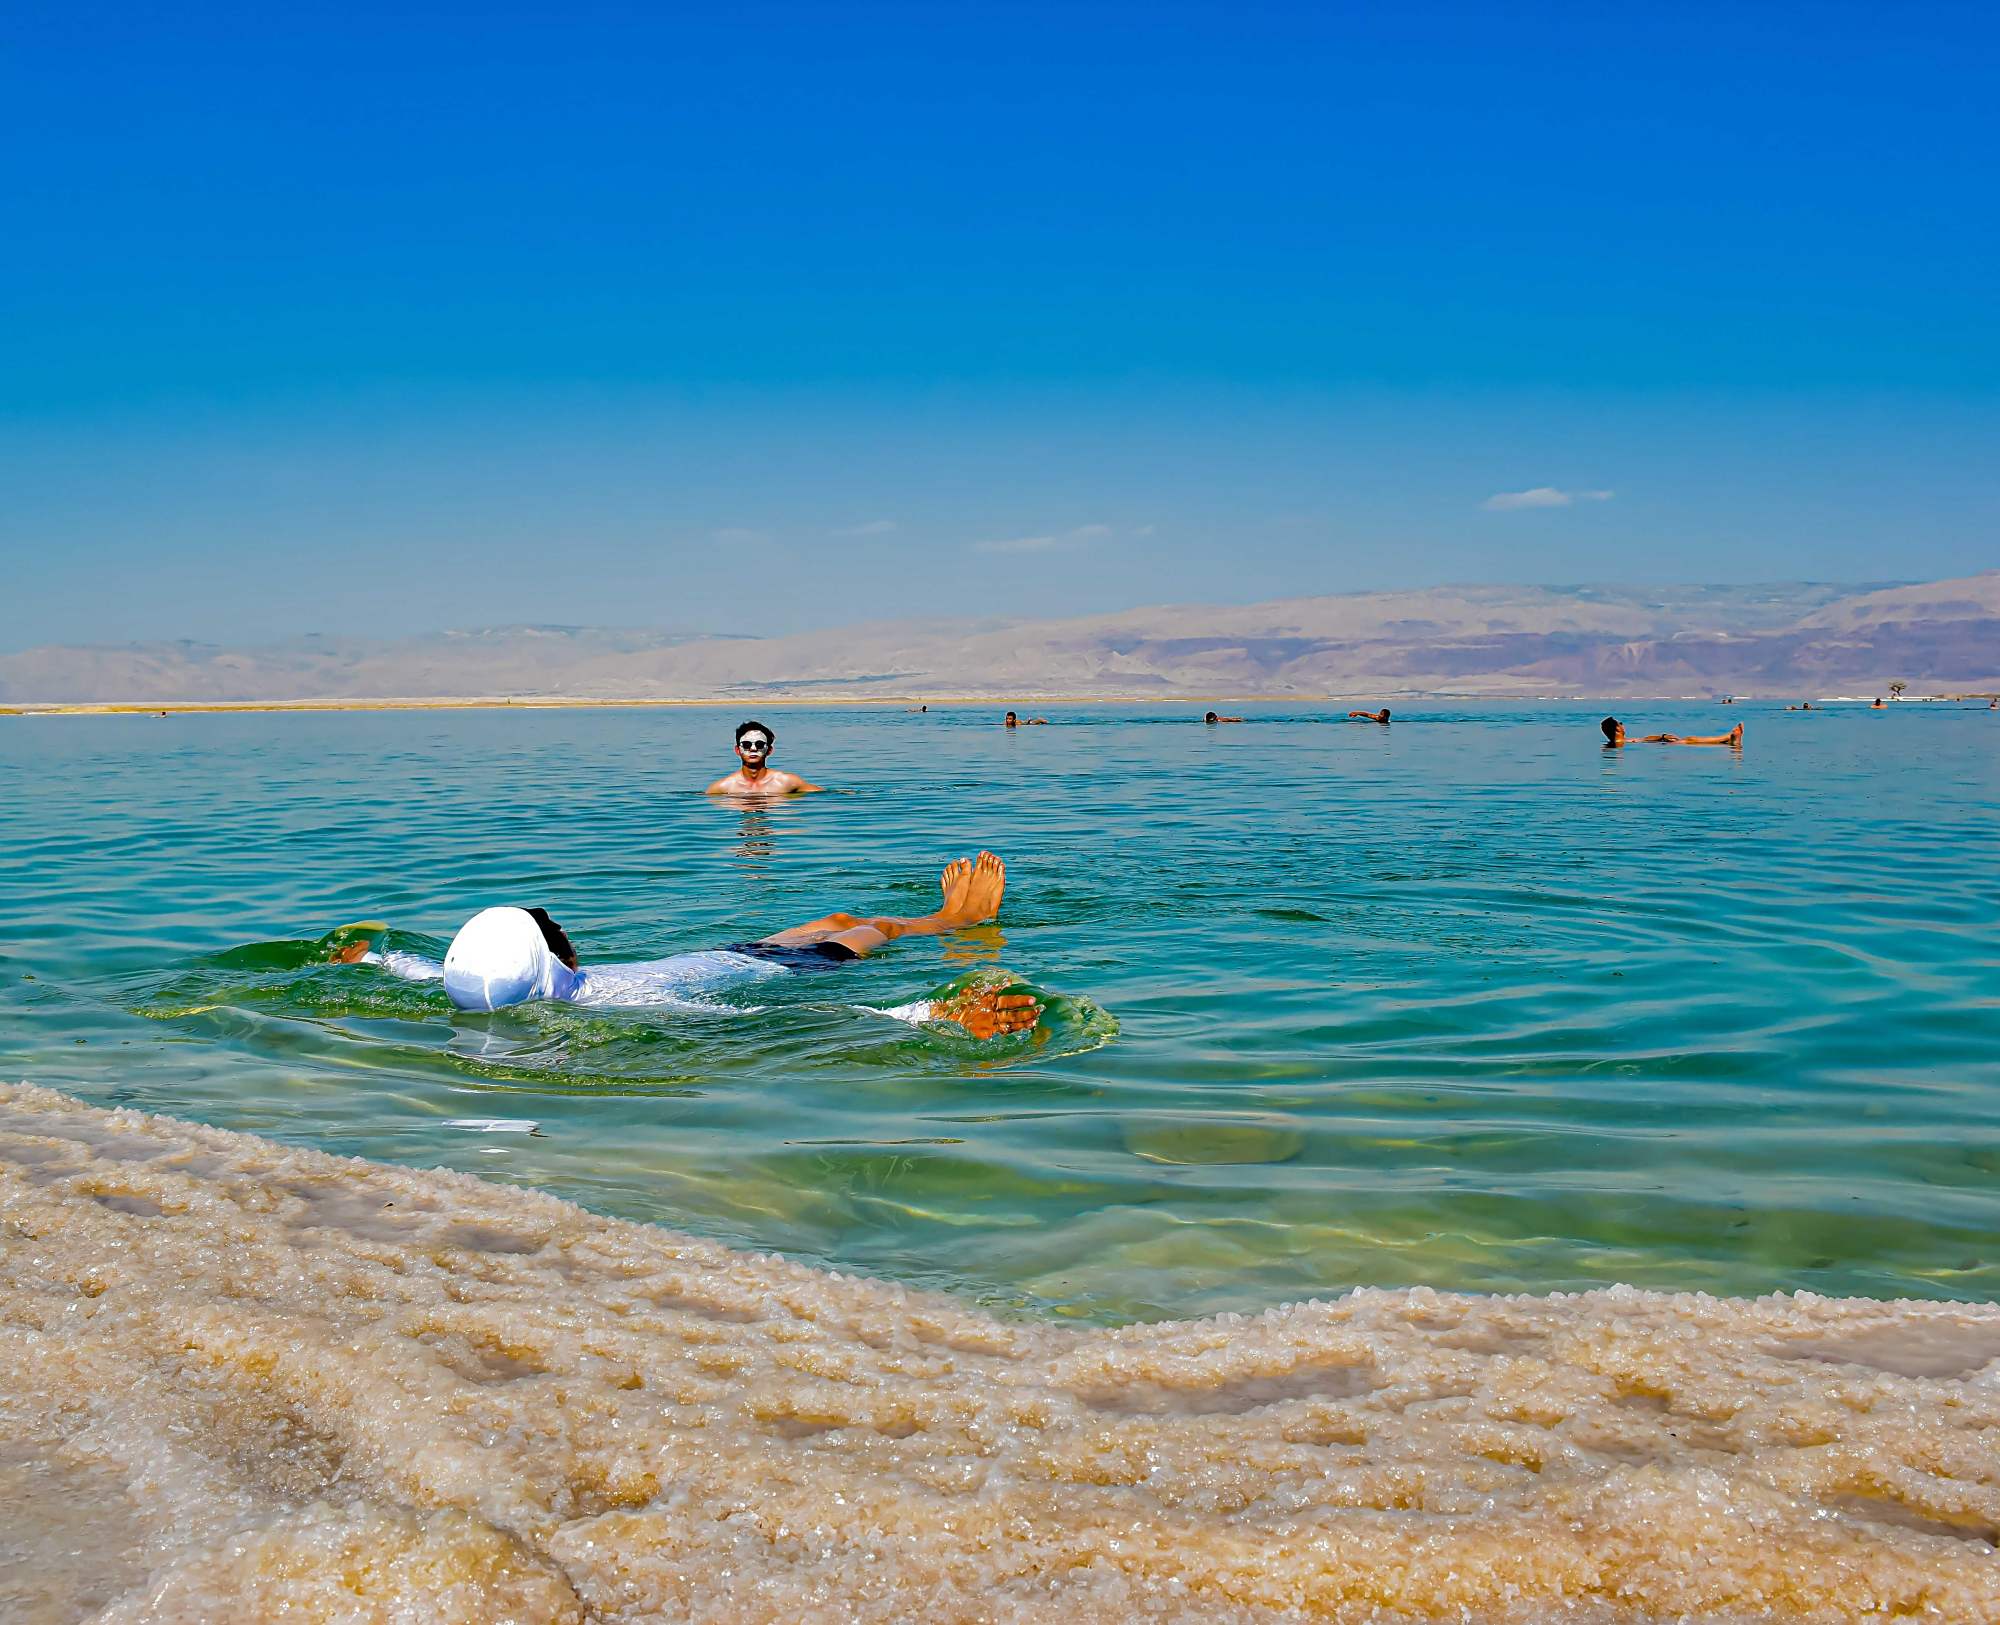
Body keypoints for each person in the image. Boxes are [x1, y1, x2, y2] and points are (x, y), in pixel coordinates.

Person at [333, 852, 1038, 1039]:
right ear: (560, 958)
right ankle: (955, 919)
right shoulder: (631, 999)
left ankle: (934, 919)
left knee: (836, 910)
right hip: (783, 970)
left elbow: (433, 973)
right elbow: (771, 1021)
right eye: (556, 929)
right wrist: (928, 1015)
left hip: (729, 949)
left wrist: (372, 957)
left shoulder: (480, 986)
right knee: (870, 929)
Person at [706, 720, 823, 797]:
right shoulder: (722, 787)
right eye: (746, 745)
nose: (753, 749)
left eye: (759, 744)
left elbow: (825, 795)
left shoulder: (787, 781)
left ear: (769, 750)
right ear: (737, 750)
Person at [1601, 717, 1743, 748]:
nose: (1622, 725)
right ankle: (1728, 738)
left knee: (1689, 740)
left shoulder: (1621, 743)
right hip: (1663, 749)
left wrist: (1661, 737)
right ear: (1618, 729)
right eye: (1621, 723)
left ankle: (1730, 740)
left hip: (1661, 744)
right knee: (1689, 740)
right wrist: (1661, 738)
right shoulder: (1621, 744)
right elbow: (1642, 740)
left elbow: (1643, 738)